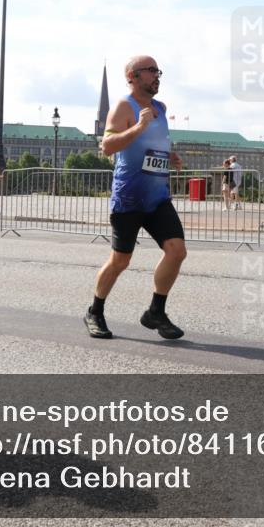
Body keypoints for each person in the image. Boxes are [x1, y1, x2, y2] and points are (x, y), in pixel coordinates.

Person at [84, 55, 186, 340]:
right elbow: (107, 146)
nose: (157, 76)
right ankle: (95, 311)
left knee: (177, 251)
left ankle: (156, 311)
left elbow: (153, 146)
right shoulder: (123, 107)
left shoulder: (160, 109)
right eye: (151, 71)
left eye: (158, 71)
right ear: (132, 76)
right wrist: (138, 127)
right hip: (128, 197)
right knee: (120, 261)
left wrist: (169, 155)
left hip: (157, 198)